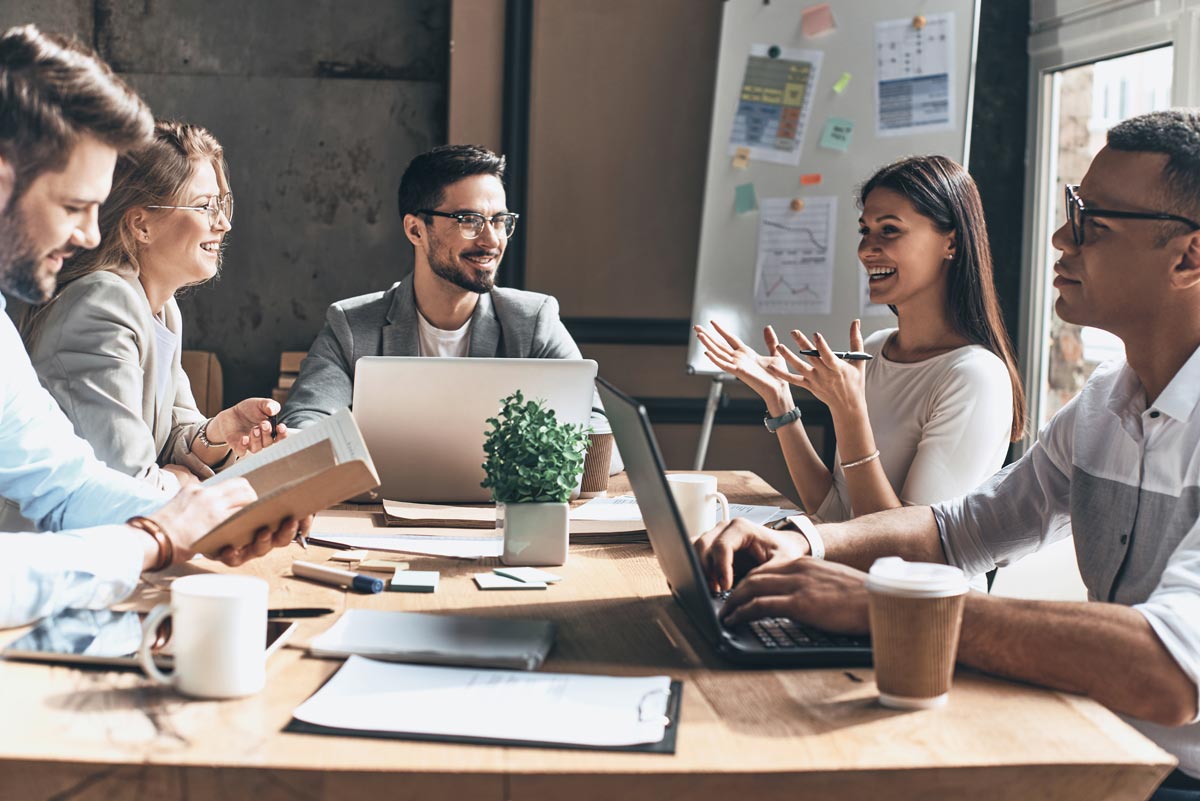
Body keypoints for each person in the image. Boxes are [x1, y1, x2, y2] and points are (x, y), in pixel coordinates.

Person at [695, 110, 1200, 798]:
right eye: (1069, 213)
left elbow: (1166, 672)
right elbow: (956, 529)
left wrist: (884, 604)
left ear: (1188, 257)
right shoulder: (1105, 401)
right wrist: (802, 539)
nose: (1059, 238)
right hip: (1095, 737)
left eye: (1092, 223)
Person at [0, 25, 301, 629]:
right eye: (72, 206)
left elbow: (65, 483)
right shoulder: (102, 300)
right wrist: (156, 532)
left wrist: (217, 514)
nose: (89, 234)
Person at [696, 155, 1024, 523]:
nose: (866, 249)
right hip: (846, 575)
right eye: (865, 230)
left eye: (889, 230)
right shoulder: (871, 351)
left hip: (908, 581)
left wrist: (850, 412)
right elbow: (837, 512)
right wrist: (779, 399)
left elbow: (905, 547)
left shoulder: (975, 377)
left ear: (951, 242)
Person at [279, 144, 621, 471]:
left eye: (500, 220)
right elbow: (303, 424)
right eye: (470, 220)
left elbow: (601, 437)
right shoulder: (352, 326)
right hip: (381, 519)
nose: (492, 240)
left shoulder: (533, 322)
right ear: (416, 230)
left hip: (499, 522)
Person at [18, 120, 287, 494]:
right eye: (204, 206)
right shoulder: (102, 305)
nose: (223, 223)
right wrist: (176, 480)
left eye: (222, 205)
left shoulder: (160, 308)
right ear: (141, 225)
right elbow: (125, 481)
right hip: (60, 545)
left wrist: (221, 431)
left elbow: (173, 432)